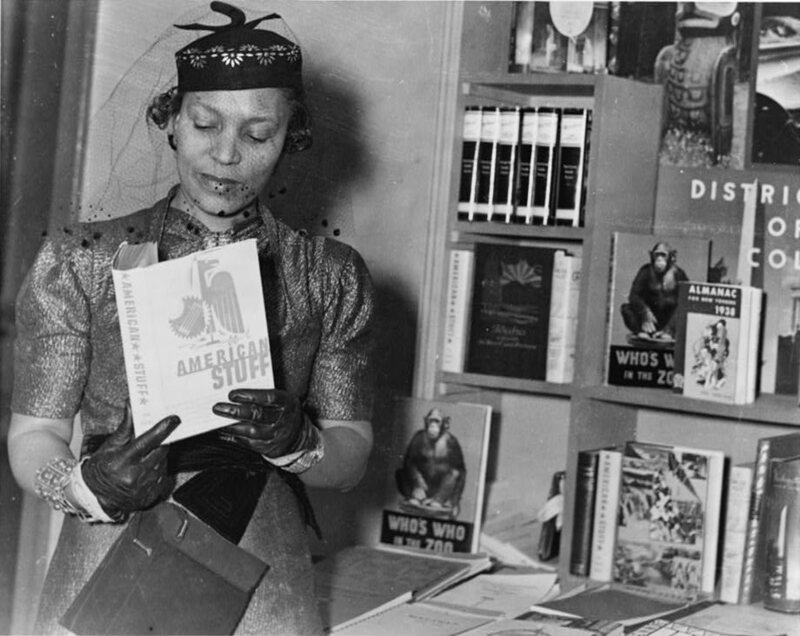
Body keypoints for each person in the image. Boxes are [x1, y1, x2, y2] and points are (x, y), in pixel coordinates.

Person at [7, 3, 375, 634]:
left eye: (259, 135)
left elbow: (353, 457)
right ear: (171, 120)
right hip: (111, 550)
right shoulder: (81, 261)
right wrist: (87, 484)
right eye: (206, 125)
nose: (227, 155)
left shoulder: (330, 273)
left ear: (293, 138)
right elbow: (30, 435)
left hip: (261, 563)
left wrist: (301, 444)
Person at [395, 408, 466, 519]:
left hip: (441, 488)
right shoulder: (419, 438)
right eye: (431, 421)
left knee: (455, 473)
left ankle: (438, 499)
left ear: (445, 424)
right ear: (425, 421)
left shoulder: (451, 442)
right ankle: (416, 497)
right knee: (401, 472)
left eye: (436, 422)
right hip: (420, 485)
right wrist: (417, 482)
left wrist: (455, 501)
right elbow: (408, 463)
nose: (432, 426)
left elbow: (460, 473)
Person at [620, 241, 689, 342]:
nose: (659, 259)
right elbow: (633, 296)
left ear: (672, 257)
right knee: (625, 308)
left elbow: (686, 301)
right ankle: (641, 331)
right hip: (648, 317)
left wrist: (670, 326)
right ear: (651, 256)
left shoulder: (678, 274)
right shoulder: (646, 271)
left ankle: (668, 332)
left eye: (663, 255)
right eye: (657, 255)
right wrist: (645, 312)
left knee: (683, 308)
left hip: (668, 318)